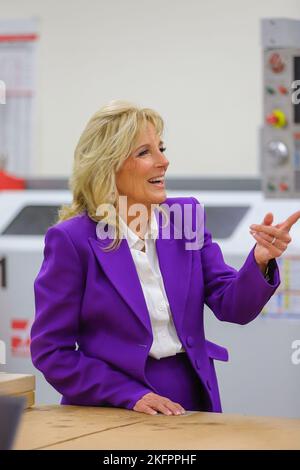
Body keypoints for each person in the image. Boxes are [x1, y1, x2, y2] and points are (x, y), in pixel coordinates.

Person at [30, 100, 299, 416]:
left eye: (161, 148)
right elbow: (52, 351)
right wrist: (129, 395)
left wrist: (260, 261)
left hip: (191, 393)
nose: (164, 161)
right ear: (108, 166)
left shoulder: (185, 218)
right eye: (145, 153)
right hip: (111, 404)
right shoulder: (73, 240)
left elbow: (233, 306)